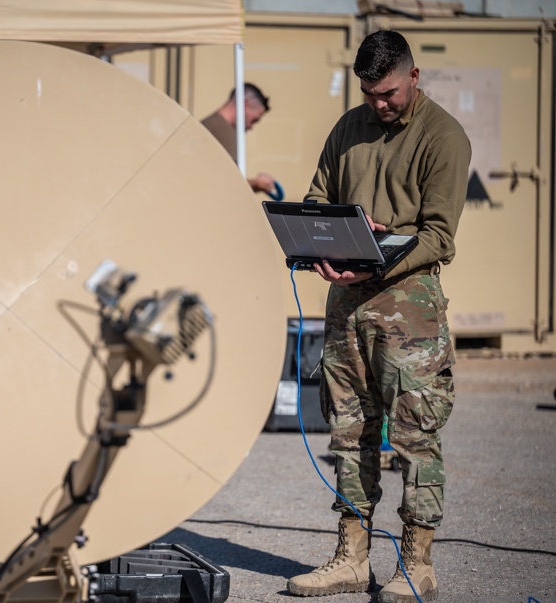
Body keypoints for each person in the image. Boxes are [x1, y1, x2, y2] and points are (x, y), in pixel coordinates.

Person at [286, 30, 471, 603]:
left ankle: (417, 565)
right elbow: (318, 197)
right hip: (345, 305)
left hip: (409, 309)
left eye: (388, 92)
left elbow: (439, 235)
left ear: (414, 78)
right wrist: (319, 240)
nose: (379, 104)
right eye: (370, 94)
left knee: (415, 437)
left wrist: (378, 255)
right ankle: (350, 557)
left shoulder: (444, 136)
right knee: (348, 433)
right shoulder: (348, 128)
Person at [200, 82, 279, 195]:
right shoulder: (223, 131)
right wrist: (257, 183)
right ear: (245, 104)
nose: (251, 127)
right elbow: (228, 186)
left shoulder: (209, 124)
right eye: (254, 120)